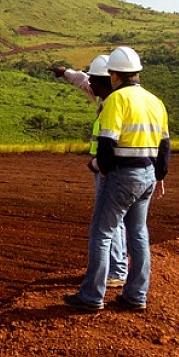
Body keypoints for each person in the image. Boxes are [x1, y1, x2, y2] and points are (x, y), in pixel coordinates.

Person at [64, 46, 170, 312]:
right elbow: (165, 145)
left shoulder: (116, 100)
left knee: (101, 233)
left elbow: (107, 143)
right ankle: (136, 296)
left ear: (114, 75)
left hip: (123, 175)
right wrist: (159, 176)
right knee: (138, 233)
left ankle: (92, 297)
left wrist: (98, 164)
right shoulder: (155, 101)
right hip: (148, 174)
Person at [49, 56, 128, 288]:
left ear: (108, 79)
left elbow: (113, 141)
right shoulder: (106, 95)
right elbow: (82, 80)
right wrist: (64, 72)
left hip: (109, 168)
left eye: (94, 79)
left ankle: (116, 271)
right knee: (123, 222)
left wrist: (99, 165)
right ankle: (120, 267)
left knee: (108, 222)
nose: (89, 84)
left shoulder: (115, 103)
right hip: (114, 168)